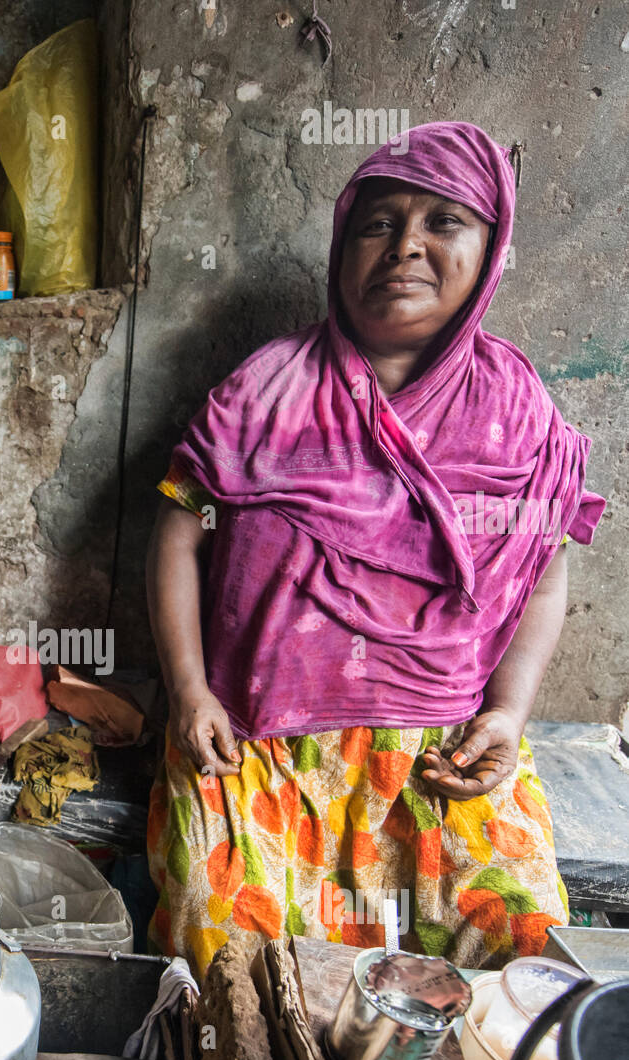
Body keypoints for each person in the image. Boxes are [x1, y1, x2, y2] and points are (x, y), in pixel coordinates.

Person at [146, 121, 605, 978]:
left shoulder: (518, 412)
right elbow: (179, 535)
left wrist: (506, 717)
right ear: (343, 244)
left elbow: (541, 576)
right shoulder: (266, 391)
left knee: (529, 953)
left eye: (444, 222)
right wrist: (189, 690)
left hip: (438, 753)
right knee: (226, 955)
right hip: (258, 747)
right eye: (379, 223)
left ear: (491, 248)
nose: (406, 247)